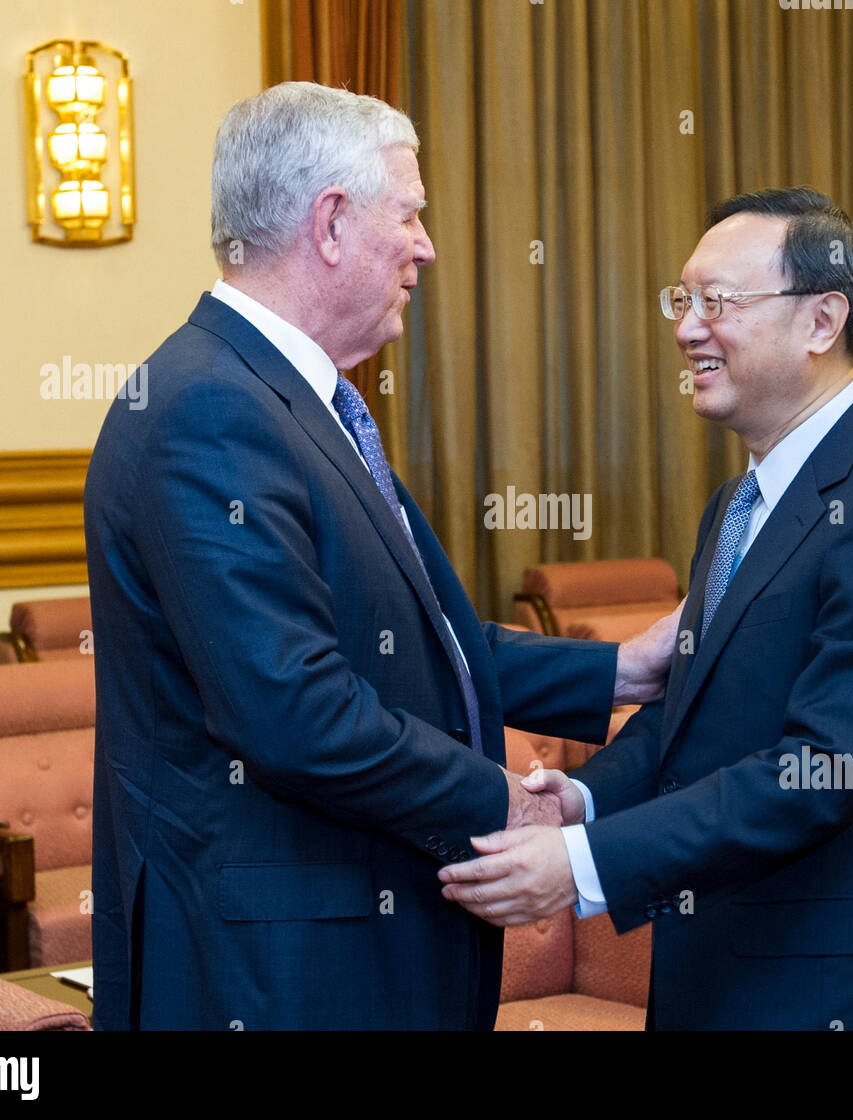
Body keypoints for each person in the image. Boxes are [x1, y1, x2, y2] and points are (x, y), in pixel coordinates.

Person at [85, 82, 676, 1030]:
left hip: (338, 945)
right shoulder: (212, 410)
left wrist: (620, 668)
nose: (427, 246)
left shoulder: (280, 395)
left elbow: (407, 643)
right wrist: (503, 804)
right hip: (279, 969)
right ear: (330, 222)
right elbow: (293, 712)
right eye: (410, 214)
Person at [440, 188, 853, 1030]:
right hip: (715, 973)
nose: (687, 327)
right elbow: (685, 722)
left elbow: (827, 767)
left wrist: (584, 864)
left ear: (821, 321)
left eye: (718, 302)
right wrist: (580, 802)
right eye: (681, 300)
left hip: (835, 985)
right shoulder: (738, 506)